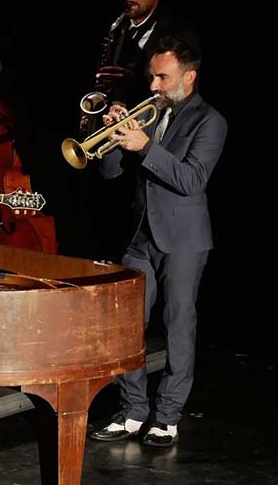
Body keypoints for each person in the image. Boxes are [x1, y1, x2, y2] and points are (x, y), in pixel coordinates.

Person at [89, 37, 226, 448]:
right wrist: (110, 132)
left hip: (184, 240)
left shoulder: (210, 121)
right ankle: (132, 410)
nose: (153, 86)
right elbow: (110, 173)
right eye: (151, 76)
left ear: (189, 76)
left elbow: (191, 179)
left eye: (162, 78)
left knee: (177, 326)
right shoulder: (150, 114)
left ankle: (166, 417)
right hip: (142, 236)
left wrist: (145, 145)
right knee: (125, 324)